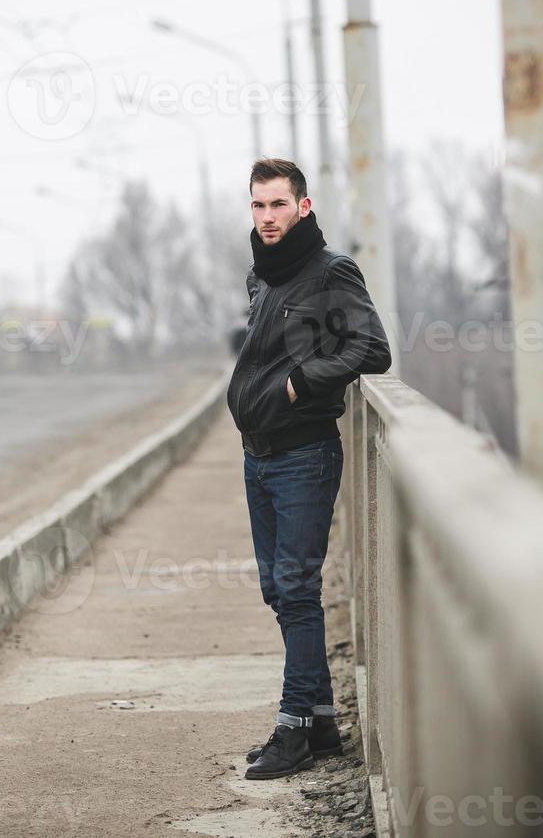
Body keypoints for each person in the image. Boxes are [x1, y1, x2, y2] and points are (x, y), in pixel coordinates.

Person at [226, 158, 392, 781]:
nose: (267, 217)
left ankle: (294, 729)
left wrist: (300, 384)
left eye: (278, 204)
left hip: (304, 455)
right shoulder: (262, 278)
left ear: (304, 205)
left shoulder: (330, 271)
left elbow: (372, 348)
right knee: (280, 590)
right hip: (259, 456)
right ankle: (321, 722)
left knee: (296, 591)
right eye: (257, 205)